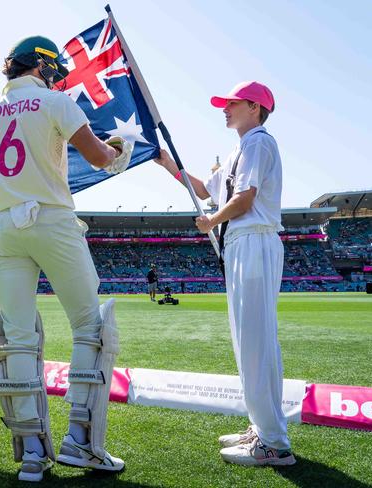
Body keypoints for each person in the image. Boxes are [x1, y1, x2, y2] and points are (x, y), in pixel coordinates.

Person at [0, 36, 132, 482]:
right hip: (52, 221)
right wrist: (119, 149)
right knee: (91, 326)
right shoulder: (55, 101)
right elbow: (98, 156)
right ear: (43, 67)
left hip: (6, 230)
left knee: (16, 338)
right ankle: (80, 444)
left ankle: (32, 450)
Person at [154, 81, 295, 466]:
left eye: (232, 103)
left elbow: (244, 198)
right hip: (240, 243)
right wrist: (167, 163)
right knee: (247, 340)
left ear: (255, 106)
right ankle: (263, 427)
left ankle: (273, 443)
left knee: (256, 340)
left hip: (253, 239)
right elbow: (204, 189)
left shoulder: (259, 143)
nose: (225, 109)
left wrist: (212, 220)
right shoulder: (240, 149)